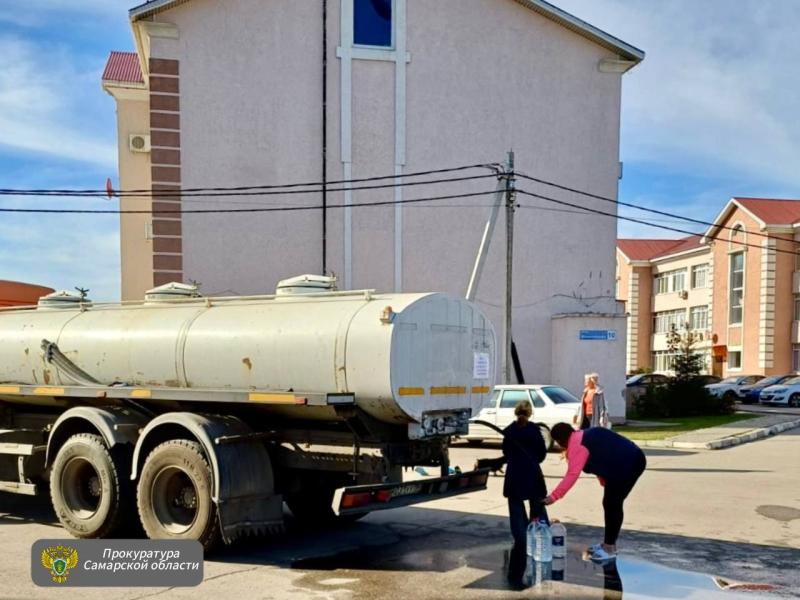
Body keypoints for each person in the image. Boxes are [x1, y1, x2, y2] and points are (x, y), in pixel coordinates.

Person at [543, 423, 646, 562]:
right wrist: (604, 479)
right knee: (611, 502)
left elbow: (572, 475)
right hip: (631, 458)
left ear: (561, 440)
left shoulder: (577, 446)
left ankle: (609, 548)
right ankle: (608, 545)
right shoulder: (582, 435)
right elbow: (602, 456)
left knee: (612, 504)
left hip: (628, 463)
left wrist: (553, 497)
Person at [503, 400, 549, 548]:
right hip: (532, 473)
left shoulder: (509, 430)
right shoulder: (535, 430)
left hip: (514, 473)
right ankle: (541, 537)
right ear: (530, 413)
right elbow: (542, 453)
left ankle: (521, 542)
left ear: (516, 412)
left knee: (516, 508)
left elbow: (505, 452)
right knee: (537, 508)